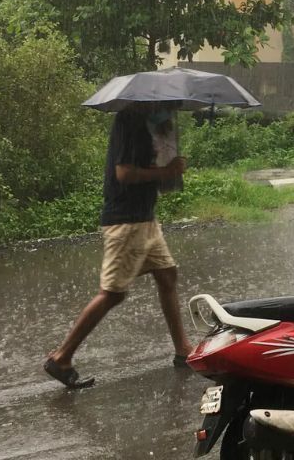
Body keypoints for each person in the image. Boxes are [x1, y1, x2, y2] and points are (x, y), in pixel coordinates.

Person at [43, 101, 193, 389]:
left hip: (145, 219)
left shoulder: (153, 124)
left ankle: (183, 349)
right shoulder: (130, 121)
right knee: (112, 294)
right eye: (171, 104)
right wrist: (165, 172)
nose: (173, 109)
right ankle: (61, 357)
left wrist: (170, 165)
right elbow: (123, 173)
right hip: (127, 222)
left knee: (167, 275)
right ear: (155, 100)